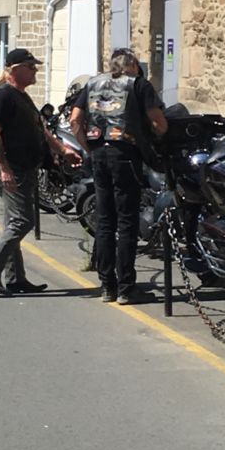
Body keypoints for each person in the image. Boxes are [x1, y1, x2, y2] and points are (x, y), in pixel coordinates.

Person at [0, 48, 81, 295]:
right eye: (31, 67)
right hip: (12, 168)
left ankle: (15, 279)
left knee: (13, 223)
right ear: (15, 70)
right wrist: (4, 169)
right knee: (23, 221)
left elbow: (41, 130)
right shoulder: (3, 96)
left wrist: (62, 150)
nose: (35, 70)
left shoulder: (21, 96)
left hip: (24, 167)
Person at [70, 48, 168, 304]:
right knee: (126, 222)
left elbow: (75, 120)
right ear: (133, 65)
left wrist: (88, 147)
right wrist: (153, 140)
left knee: (105, 221)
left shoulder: (92, 83)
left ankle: (107, 286)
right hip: (125, 153)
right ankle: (126, 287)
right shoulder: (138, 85)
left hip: (99, 154)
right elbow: (159, 122)